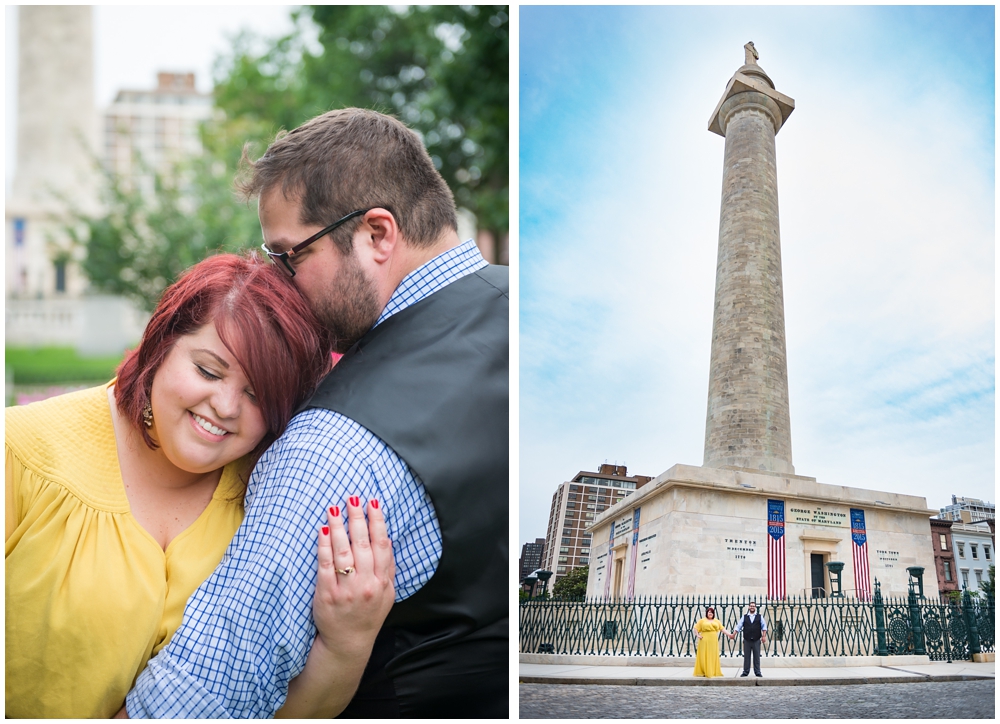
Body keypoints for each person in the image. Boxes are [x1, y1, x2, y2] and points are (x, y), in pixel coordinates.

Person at [123, 108, 508, 718]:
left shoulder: (332, 447)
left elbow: (199, 700)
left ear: (377, 235)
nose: (281, 282)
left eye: (288, 254)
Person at [5, 253, 395, 718]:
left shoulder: (271, 499)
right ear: (160, 345)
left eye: (258, 394)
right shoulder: (19, 453)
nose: (225, 406)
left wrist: (347, 643)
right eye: (208, 371)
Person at [729, 600, 768, 677]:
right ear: (749, 607)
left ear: (755, 607)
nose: (752, 607)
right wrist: (734, 634)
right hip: (747, 639)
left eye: (753, 606)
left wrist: (764, 636)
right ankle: (745, 671)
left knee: (757, 656)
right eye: (751, 606)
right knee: (747, 656)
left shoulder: (760, 617)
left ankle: (757, 672)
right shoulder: (744, 617)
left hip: (756, 639)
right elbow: (739, 626)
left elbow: (764, 627)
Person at [693, 606, 729, 678]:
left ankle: (712, 671)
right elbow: (695, 628)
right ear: (707, 613)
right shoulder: (702, 620)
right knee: (704, 655)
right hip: (704, 639)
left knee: (712, 655)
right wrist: (697, 635)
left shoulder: (716, 621)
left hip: (713, 640)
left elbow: (722, 629)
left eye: (712, 612)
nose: (710, 613)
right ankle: (703, 671)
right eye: (709, 612)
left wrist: (729, 634)